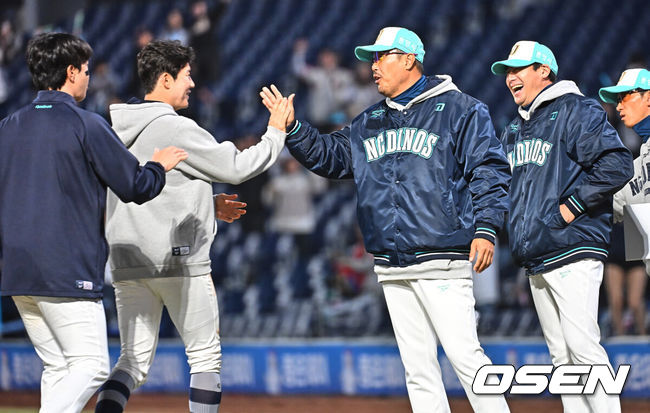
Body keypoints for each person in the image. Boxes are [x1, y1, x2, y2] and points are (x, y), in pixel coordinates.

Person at [263, 27, 511, 413]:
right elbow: (331, 157)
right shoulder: (370, 120)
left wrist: (486, 227)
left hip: (442, 256)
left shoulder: (461, 109)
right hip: (391, 263)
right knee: (418, 371)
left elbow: (489, 170)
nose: (373, 66)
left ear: (409, 59)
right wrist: (294, 128)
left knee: (467, 359)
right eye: (372, 59)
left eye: (382, 57)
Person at [93, 40, 293, 413]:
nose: (192, 84)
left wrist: (206, 203)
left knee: (131, 363)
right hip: (178, 261)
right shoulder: (175, 127)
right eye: (186, 75)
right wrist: (275, 132)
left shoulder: (114, 130)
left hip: (127, 262)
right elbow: (236, 167)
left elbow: (144, 188)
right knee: (204, 359)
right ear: (166, 79)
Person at [0, 32, 187, 413]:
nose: (87, 77)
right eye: (85, 70)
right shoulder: (86, 124)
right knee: (92, 365)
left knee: (59, 368)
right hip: (65, 267)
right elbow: (136, 186)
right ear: (71, 72)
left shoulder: (8, 126)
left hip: (18, 270)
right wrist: (158, 165)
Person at [491, 40, 634, 412]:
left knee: (583, 347)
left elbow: (617, 164)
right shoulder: (514, 128)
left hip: (573, 246)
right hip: (537, 253)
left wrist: (572, 207)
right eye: (507, 71)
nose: (510, 77)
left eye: (518, 69)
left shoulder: (576, 109)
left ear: (544, 71)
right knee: (561, 359)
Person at [600, 68, 650, 335]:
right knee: (620, 302)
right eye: (616, 100)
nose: (619, 106)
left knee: (634, 302)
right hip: (624, 240)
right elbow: (613, 203)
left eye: (625, 97)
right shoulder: (640, 157)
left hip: (636, 236)